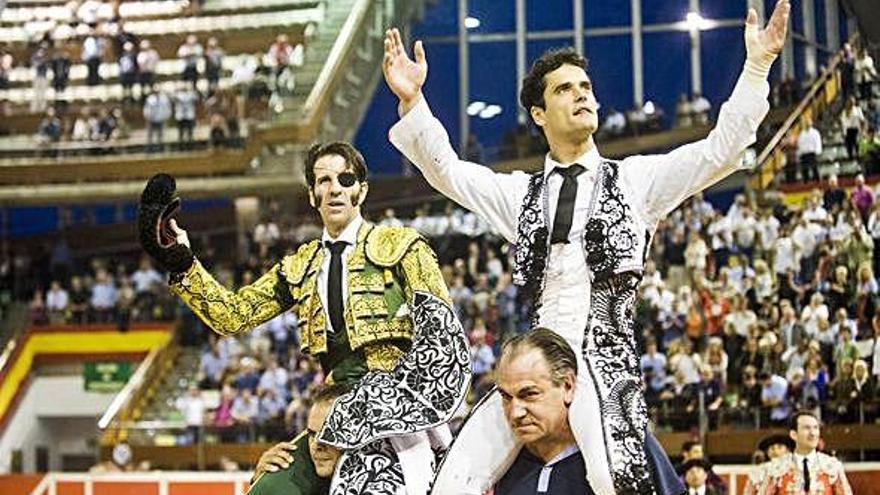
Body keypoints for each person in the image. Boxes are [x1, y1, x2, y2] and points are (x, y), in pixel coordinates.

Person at [383, 1, 790, 493]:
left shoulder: (639, 181)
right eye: (564, 89)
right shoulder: (520, 194)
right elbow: (448, 171)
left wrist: (756, 66)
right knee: (452, 481)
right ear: (538, 113)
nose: (581, 96)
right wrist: (413, 103)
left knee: (613, 477)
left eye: (585, 87)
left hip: (606, 363)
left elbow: (720, 152)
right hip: (535, 362)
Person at [137, 141, 469, 494]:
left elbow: (442, 336)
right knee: (269, 490)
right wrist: (183, 263)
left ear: (362, 190)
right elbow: (233, 317)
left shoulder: (403, 246)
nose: (335, 188)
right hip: (330, 414)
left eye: (345, 178)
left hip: (396, 413)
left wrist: (395, 405)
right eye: (323, 181)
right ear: (312, 194)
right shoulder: (301, 265)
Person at [749, 410, 852, 494]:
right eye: (806, 428)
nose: (812, 433)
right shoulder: (776, 468)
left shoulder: (832, 466)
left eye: (815, 428)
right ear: (794, 434)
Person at [797, 117, 822, 183]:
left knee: (814, 168)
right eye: (806, 123)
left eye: (808, 122)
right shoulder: (802, 133)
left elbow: (818, 142)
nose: (807, 124)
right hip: (804, 154)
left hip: (812, 153)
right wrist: (800, 153)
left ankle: (818, 181)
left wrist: (818, 151)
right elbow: (800, 144)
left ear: (811, 123)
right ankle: (806, 182)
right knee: (805, 170)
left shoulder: (815, 132)